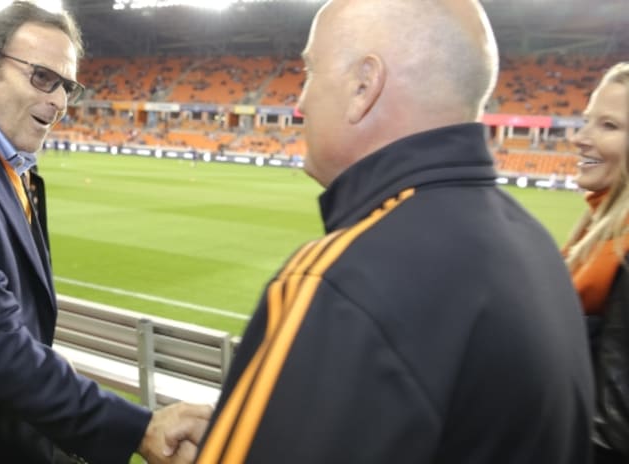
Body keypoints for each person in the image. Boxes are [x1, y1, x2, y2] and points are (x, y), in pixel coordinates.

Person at [196, 0, 594, 463]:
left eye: (309, 72)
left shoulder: (342, 279)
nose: (300, 101)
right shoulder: (537, 247)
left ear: (364, 85)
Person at [0, 2, 210, 463]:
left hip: (3, 424)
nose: (60, 101)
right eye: (42, 77)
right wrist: (137, 429)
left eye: (67, 85)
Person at [563, 61, 629, 464]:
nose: (580, 138)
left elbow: (614, 432)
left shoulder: (623, 251)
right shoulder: (602, 223)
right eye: (587, 121)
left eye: (608, 126)